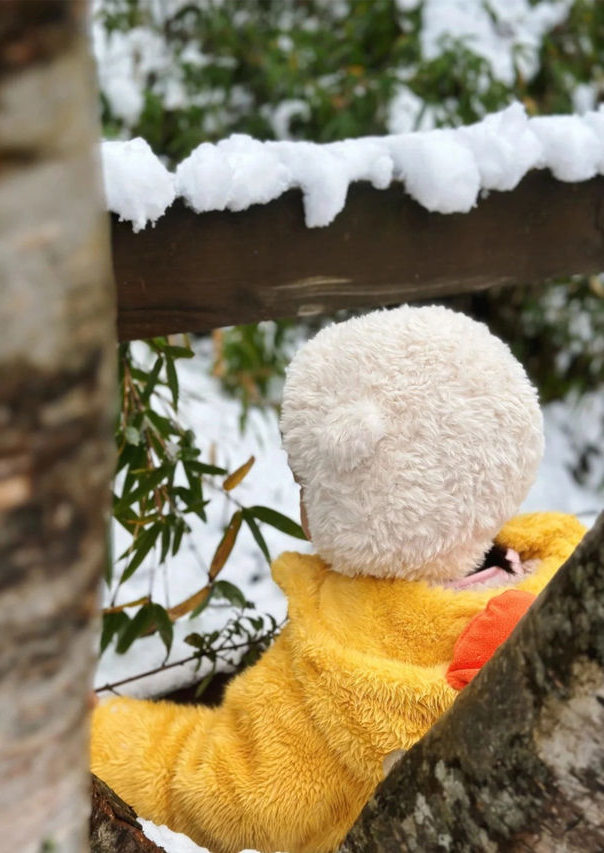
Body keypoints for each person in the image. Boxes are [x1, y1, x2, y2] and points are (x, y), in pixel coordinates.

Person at [91, 305, 584, 853]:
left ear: (355, 482)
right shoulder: (566, 577)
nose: (302, 506)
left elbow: (227, 794)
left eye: (306, 483)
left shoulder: (340, 667)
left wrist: (95, 734)